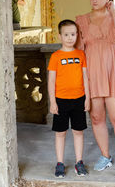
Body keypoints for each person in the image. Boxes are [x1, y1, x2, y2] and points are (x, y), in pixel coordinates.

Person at [75, 0, 115, 178]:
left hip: (113, 69)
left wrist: (113, 10)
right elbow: (77, 48)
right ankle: (105, 156)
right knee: (96, 117)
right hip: (92, 70)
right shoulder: (82, 20)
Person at [47, 19, 91, 178]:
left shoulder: (81, 54)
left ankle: (79, 162)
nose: (70, 37)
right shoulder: (55, 57)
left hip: (79, 99)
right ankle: (60, 163)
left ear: (77, 35)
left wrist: (88, 98)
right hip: (61, 100)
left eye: (73, 34)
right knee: (60, 133)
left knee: (78, 132)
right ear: (60, 36)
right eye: (66, 35)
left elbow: (86, 77)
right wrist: (53, 102)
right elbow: (51, 80)